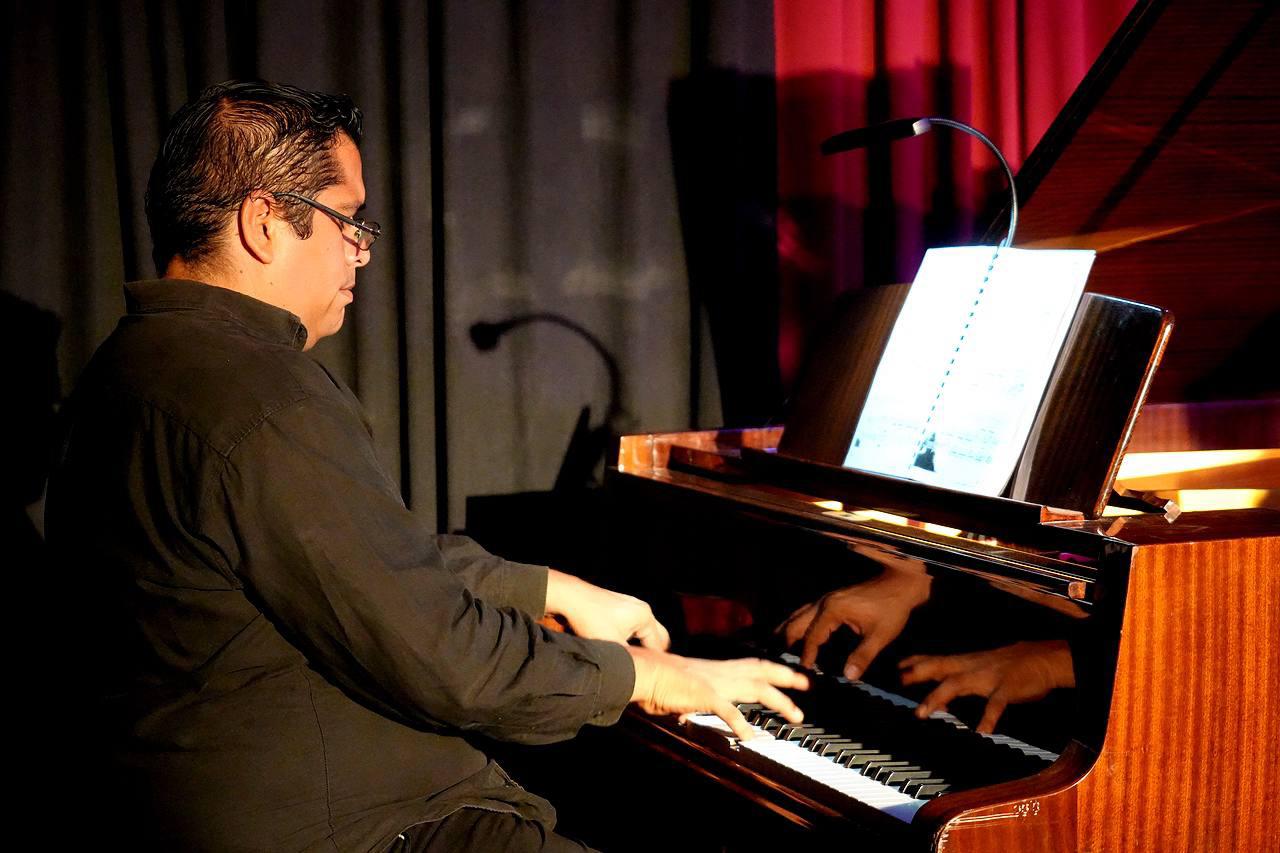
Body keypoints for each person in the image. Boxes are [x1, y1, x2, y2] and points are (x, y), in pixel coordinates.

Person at [45, 80, 807, 852]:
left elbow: (356, 563)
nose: (361, 252)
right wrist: (644, 676)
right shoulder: (261, 394)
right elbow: (446, 660)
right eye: (349, 221)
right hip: (349, 821)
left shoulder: (124, 369)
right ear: (264, 221)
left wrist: (548, 587)